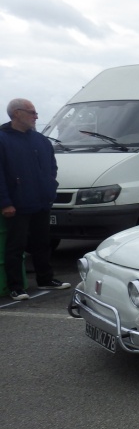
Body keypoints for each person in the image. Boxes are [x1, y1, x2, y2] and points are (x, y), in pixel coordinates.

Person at [0, 98, 71, 300]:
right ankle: (15, 286)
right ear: (16, 114)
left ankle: (45, 279)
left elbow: (51, 167)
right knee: (16, 246)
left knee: (42, 243)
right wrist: (5, 202)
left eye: (36, 112)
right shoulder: (3, 139)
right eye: (32, 112)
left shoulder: (40, 140)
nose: (36, 116)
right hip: (17, 204)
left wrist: (50, 187)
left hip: (41, 201)